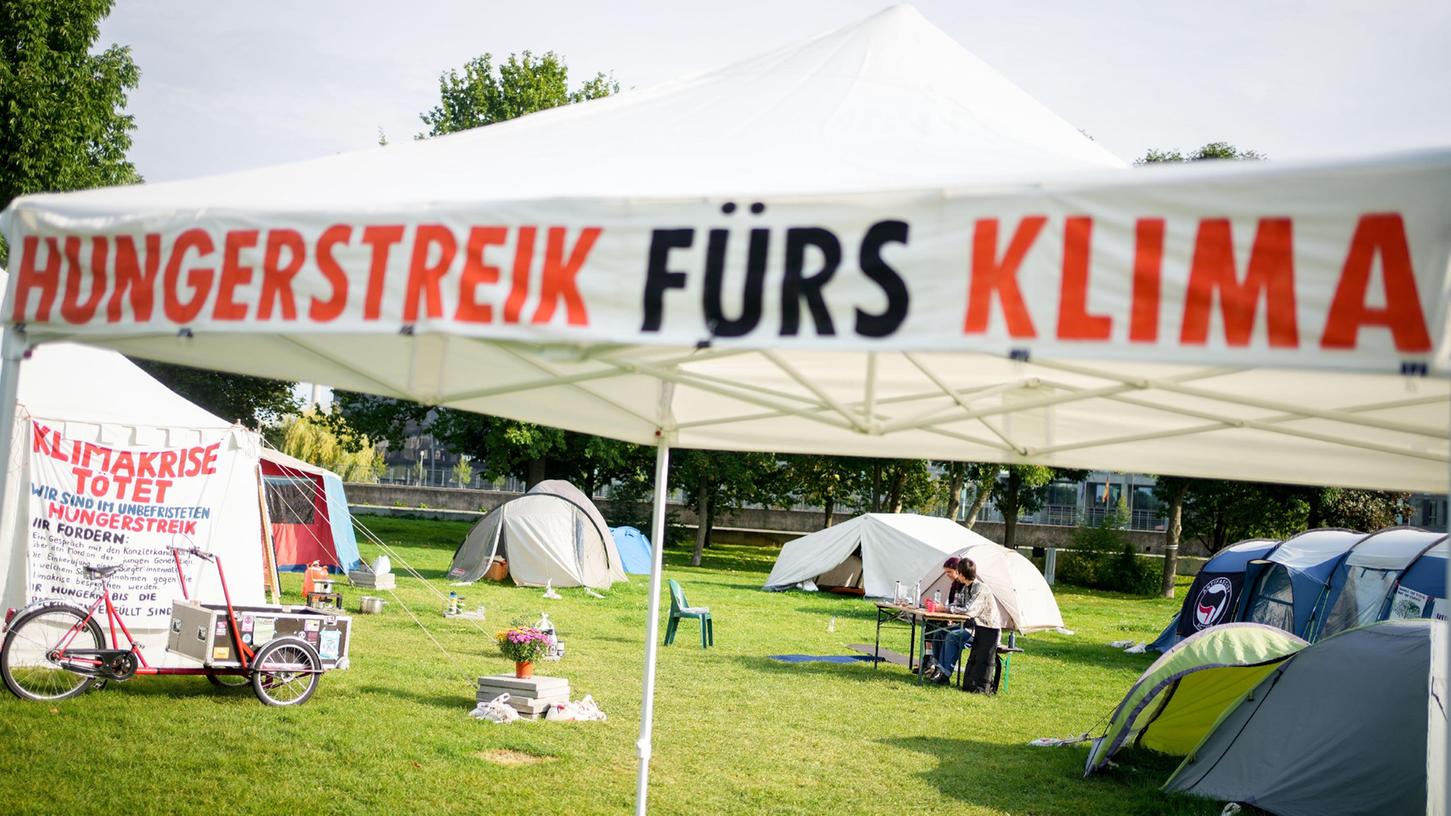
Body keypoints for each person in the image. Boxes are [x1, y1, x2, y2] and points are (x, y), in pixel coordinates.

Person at [927, 558, 1002, 693]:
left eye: (958, 572)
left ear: (962, 574)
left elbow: (969, 610)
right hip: (973, 628)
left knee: (952, 636)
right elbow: (957, 605)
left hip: (986, 631)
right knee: (940, 632)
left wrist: (945, 609)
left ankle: (945, 674)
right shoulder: (967, 588)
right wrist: (943, 607)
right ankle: (936, 669)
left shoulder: (980, 589)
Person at [921, 557, 965, 677]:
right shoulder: (955, 584)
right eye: (946, 572)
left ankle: (934, 663)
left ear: (958, 571)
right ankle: (929, 658)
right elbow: (952, 603)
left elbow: (962, 607)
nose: (947, 575)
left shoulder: (964, 586)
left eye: (949, 572)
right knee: (930, 623)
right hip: (953, 616)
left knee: (938, 630)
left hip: (962, 621)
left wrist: (946, 611)